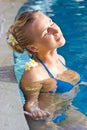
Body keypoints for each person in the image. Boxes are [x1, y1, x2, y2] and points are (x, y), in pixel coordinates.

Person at [7, 10, 87, 130]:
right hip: (47, 123)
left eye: (51, 23)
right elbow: (30, 103)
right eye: (46, 32)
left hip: (67, 111)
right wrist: (35, 111)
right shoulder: (34, 74)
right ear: (33, 47)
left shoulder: (60, 59)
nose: (55, 30)